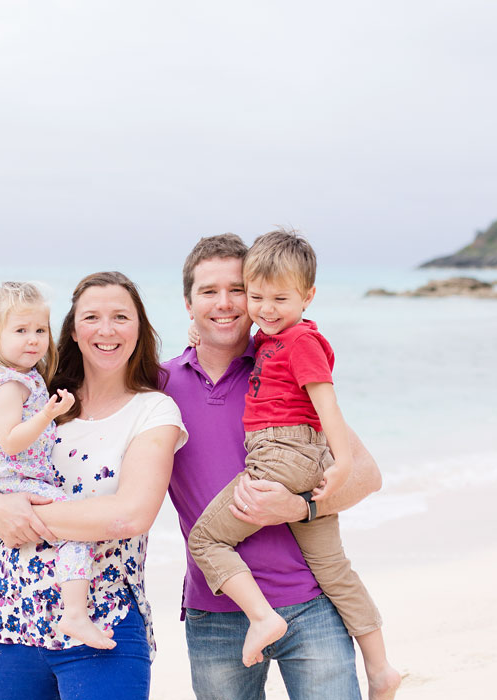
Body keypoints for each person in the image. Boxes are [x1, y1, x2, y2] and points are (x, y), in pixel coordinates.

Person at [162, 233, 397, 700]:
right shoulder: (160, 386)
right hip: (215, 615)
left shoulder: (283, 369)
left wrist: (298, 508)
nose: (226, 303)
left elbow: (367, 476)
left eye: (236, 290)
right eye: (209, 291)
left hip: (310, 606)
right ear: (188, 304)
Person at [0, 271, 187, 700]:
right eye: (91, 317)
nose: (106, 329)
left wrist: (15, 513)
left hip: (102, 619)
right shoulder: (36, 400)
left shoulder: (154, 411)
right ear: (73, 331)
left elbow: (129, 514)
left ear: (140, 328)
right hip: (3, 616)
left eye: (121, 317)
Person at [0, 281, 113, 650]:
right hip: (12, 476)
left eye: (40, 330)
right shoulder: (12, 383)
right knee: (75, 524)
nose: (33, 340)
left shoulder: (16, 375)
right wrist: (48, 412)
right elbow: (11, 439)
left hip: (3, 476)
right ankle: (75, 613)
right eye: (20, 331)